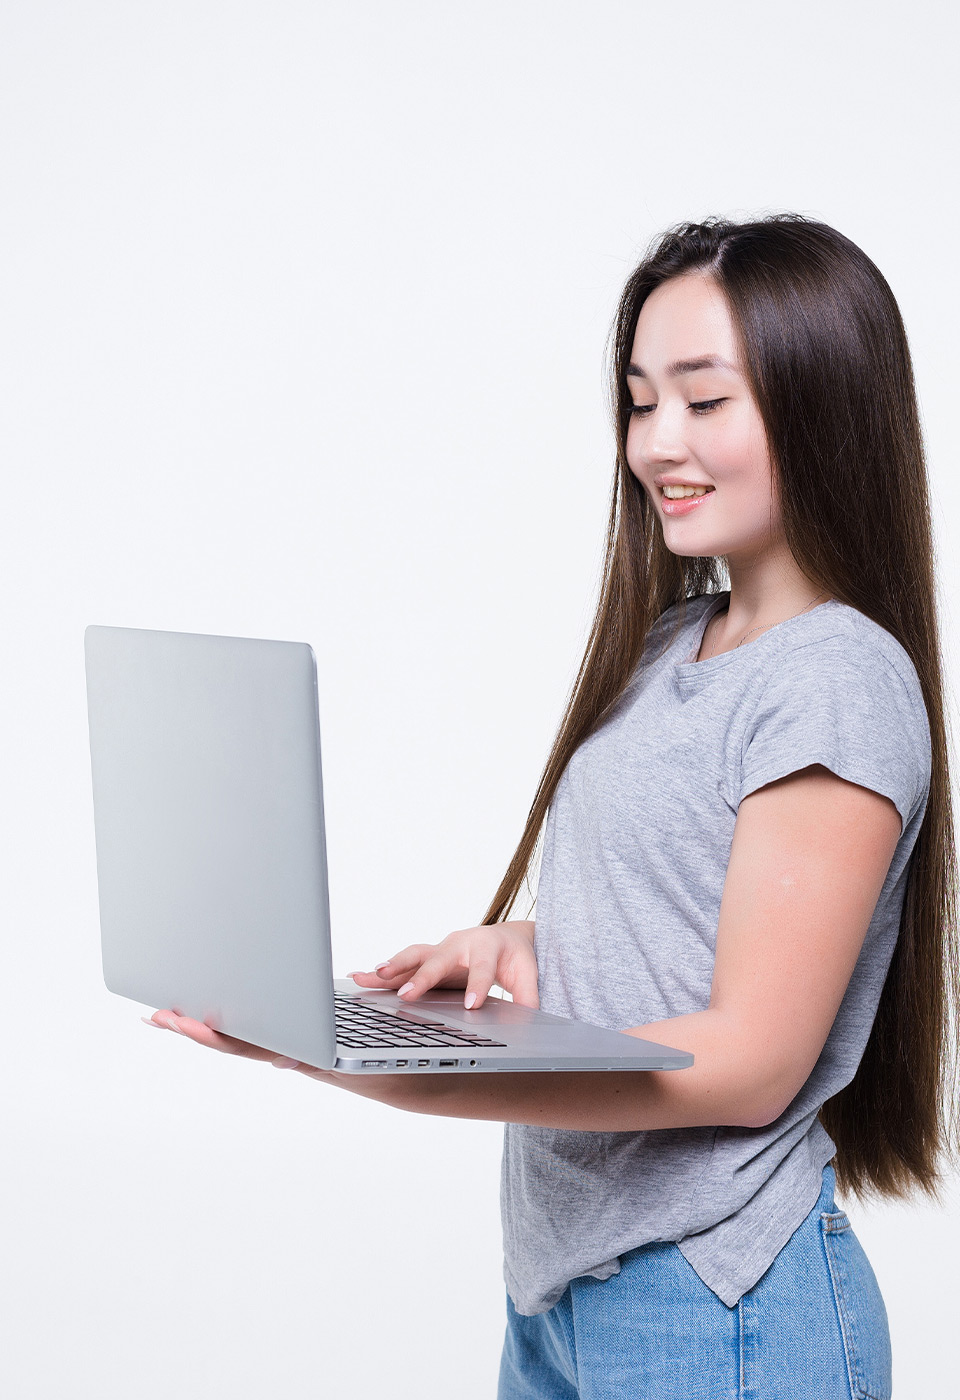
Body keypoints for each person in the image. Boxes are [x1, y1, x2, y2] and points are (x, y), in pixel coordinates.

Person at [147, 215, 958, 1399]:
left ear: (821, 400)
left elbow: (749, 1063)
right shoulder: (679, 636)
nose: (656, 442)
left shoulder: (834, 676)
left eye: (703, 398)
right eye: (639, 400)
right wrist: (528, 947)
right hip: (566, 1290)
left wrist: (366, 1063)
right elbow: (694, 900)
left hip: (716, 1303)